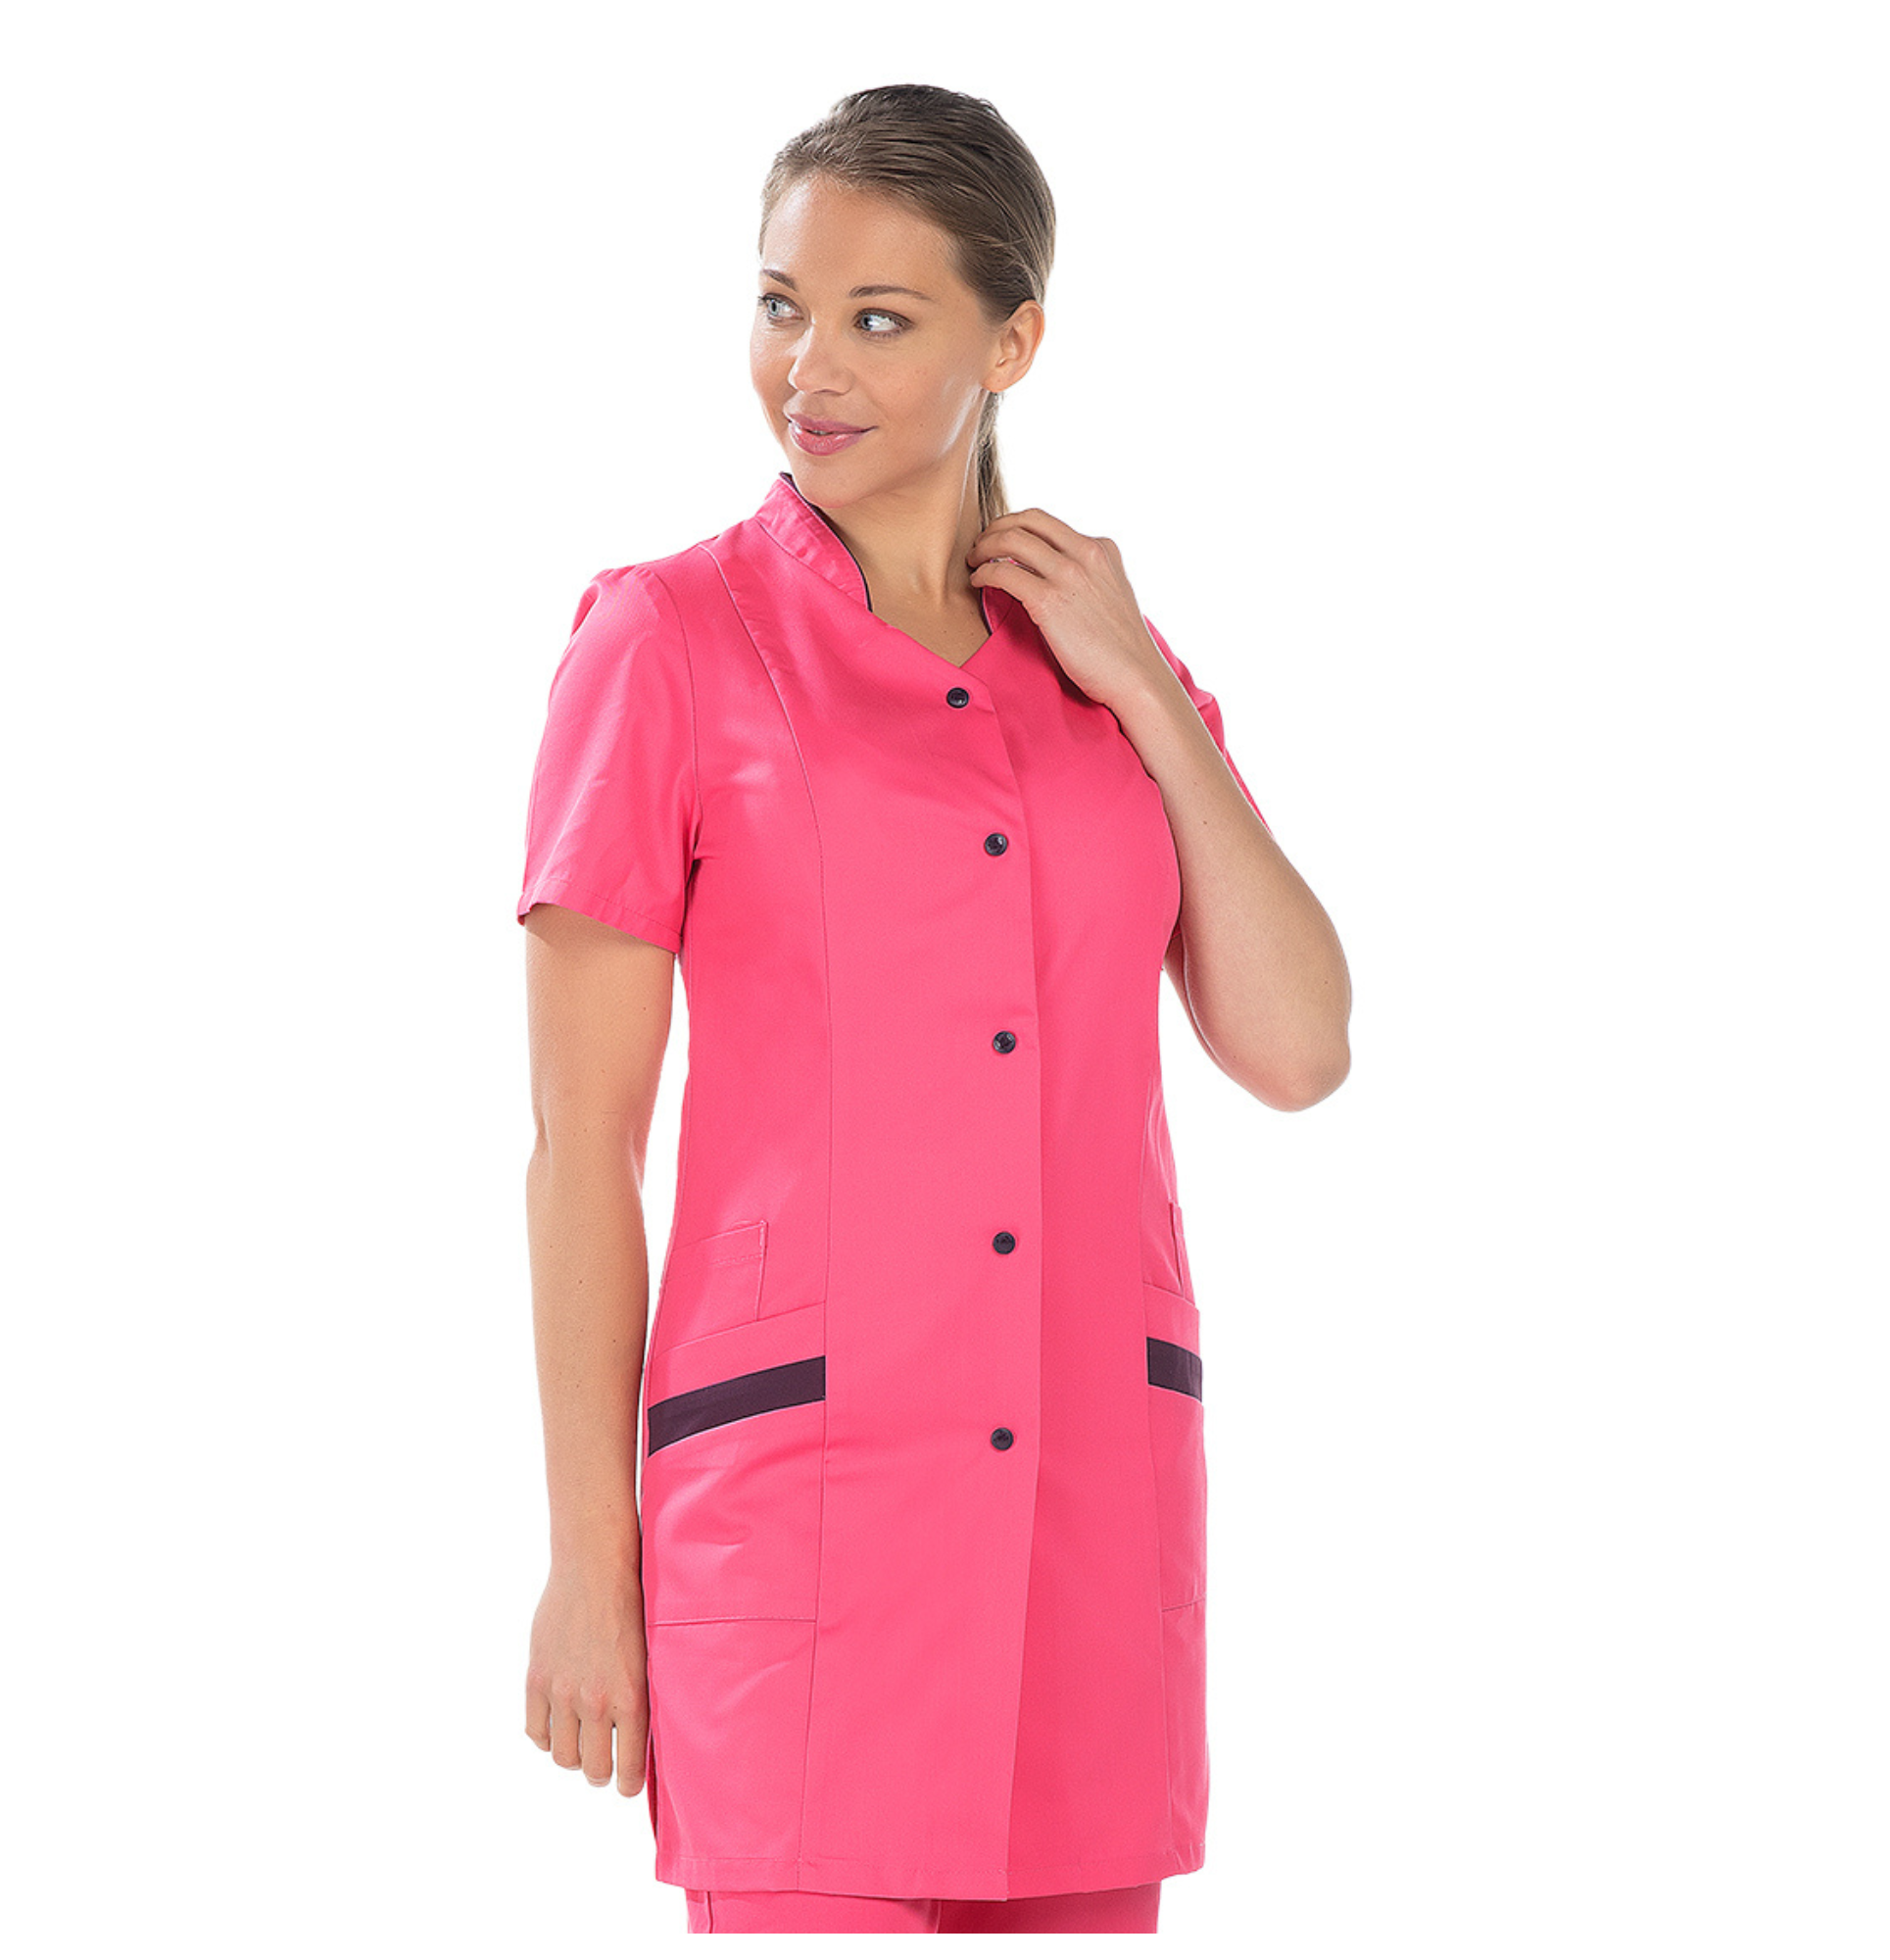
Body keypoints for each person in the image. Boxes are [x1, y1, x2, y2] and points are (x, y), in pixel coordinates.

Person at [515, 83, 1351, 1937]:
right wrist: (590, 1563)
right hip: (800, 1521)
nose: (807, 369)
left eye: (878, 319)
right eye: (780, 305)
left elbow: (1298, 1048)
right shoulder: (664, 643)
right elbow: (582, 1148)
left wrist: (1143, 686)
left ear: (1013, 342)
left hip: (1089, 1529)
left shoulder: (1111, 672)